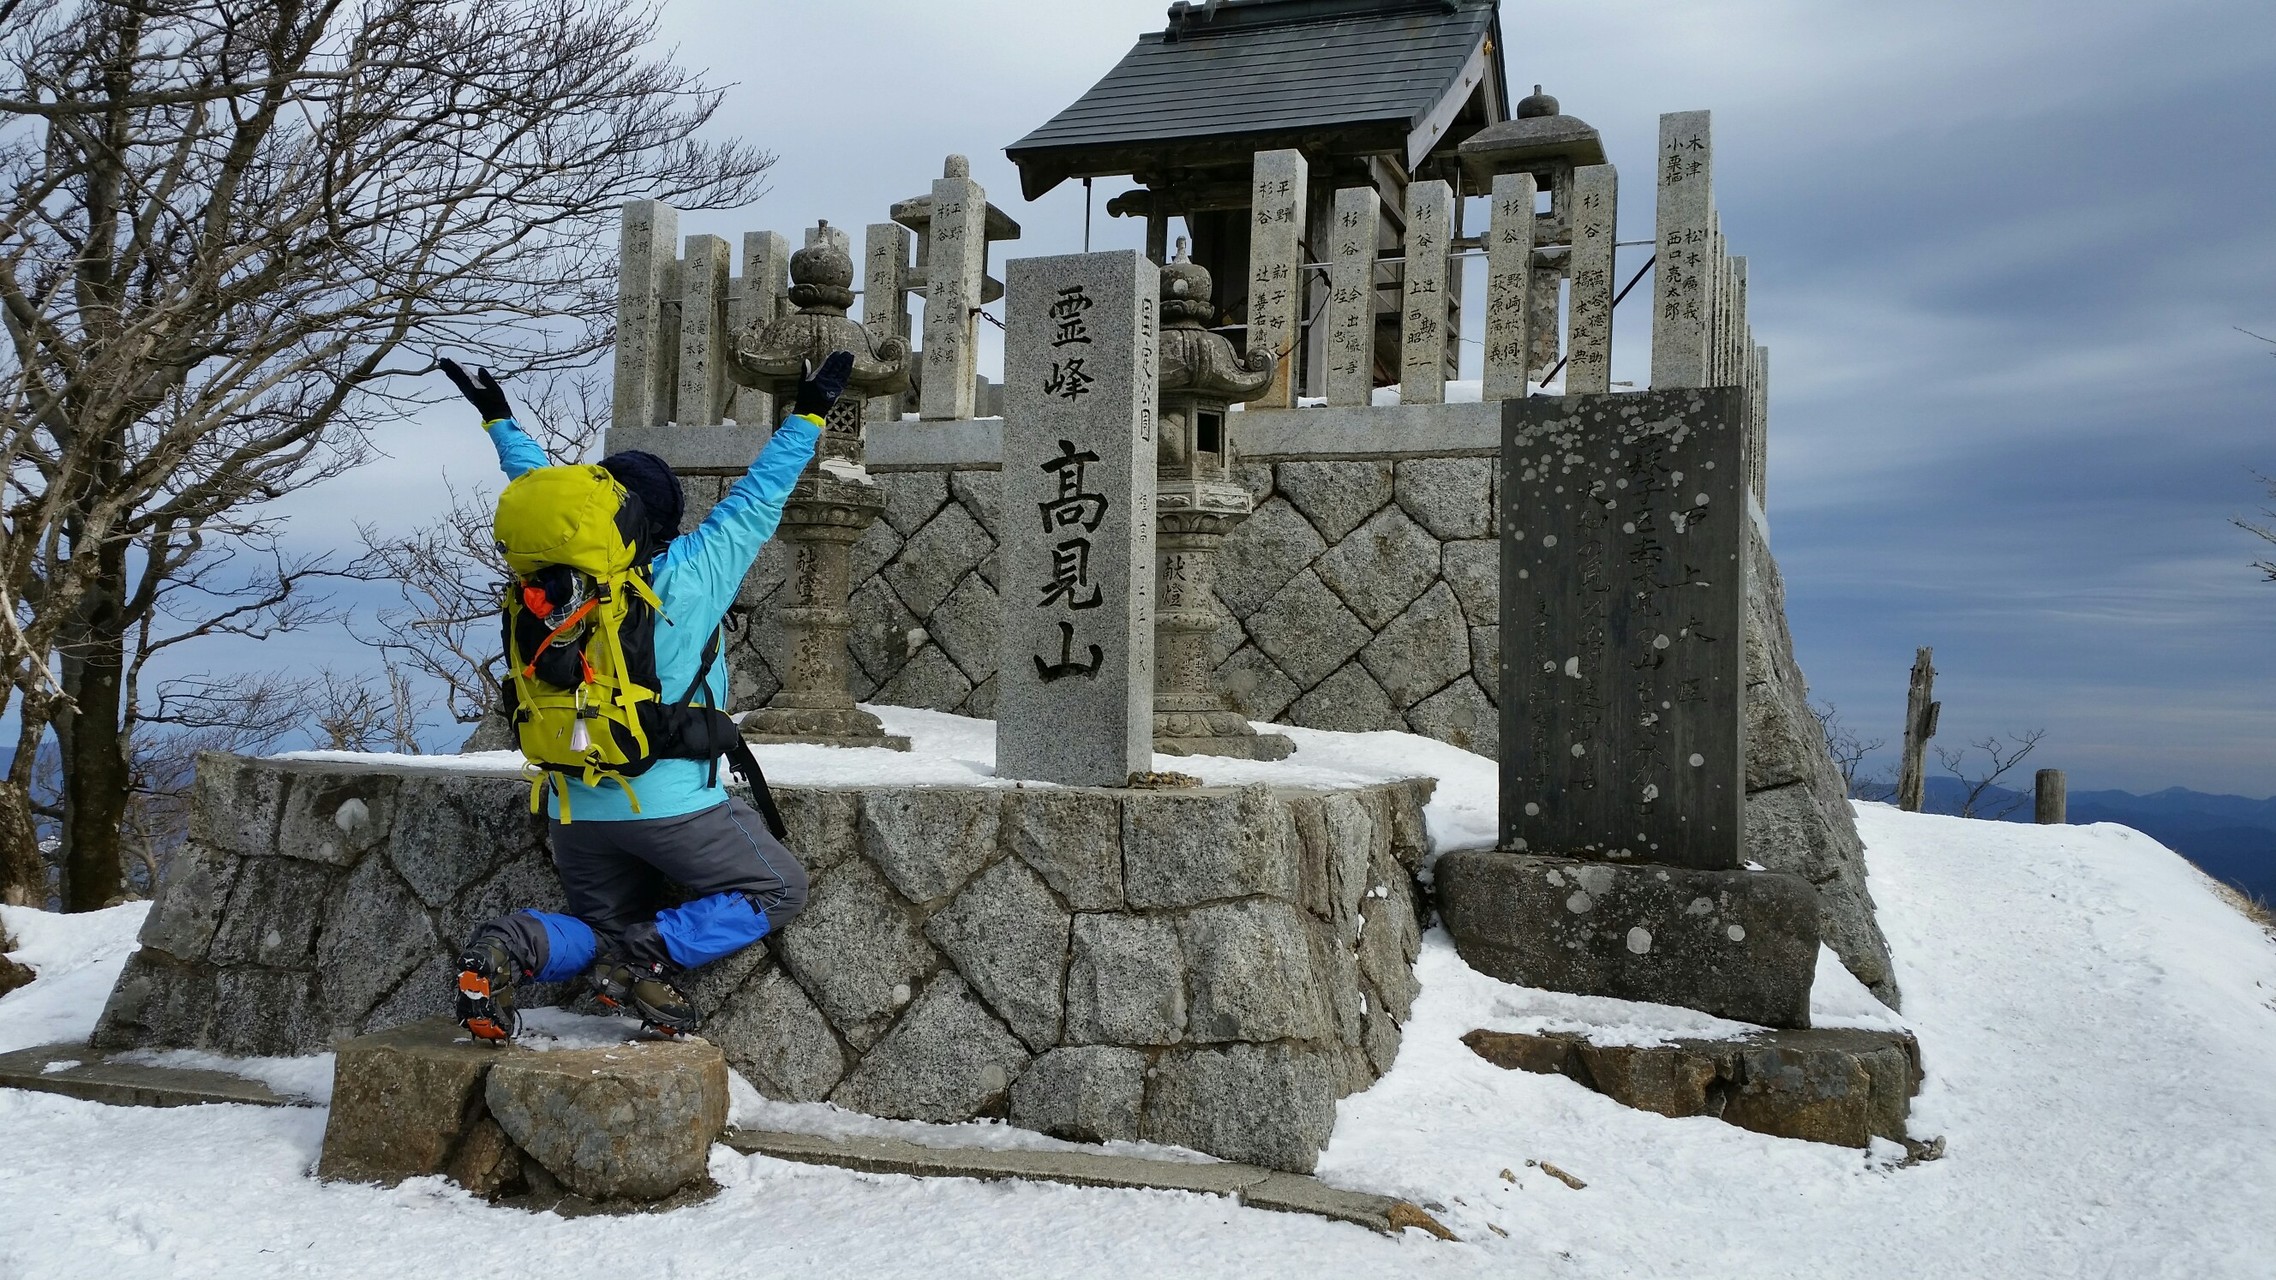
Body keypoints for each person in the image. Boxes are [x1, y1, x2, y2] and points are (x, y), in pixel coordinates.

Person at [438, 352, 853, 1039]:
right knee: (780, 886)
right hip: (671, 807)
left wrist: (499, 421)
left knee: (598, 928)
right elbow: (763, 491)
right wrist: (809, 412)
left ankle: (509, 946)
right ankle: (648, 956)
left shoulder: (556, 582)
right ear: (660, 518)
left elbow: (540, 491)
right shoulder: (694, 569)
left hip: (574, 804)